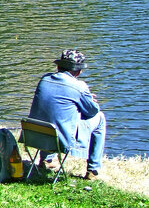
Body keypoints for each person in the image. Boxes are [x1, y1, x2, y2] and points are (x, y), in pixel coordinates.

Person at [28, 49, 106, 181]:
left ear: (59, 66)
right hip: (62, 140)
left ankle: (46, 160)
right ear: (78, 71)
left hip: (35, 135)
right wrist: (88, 100)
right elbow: (92, 111)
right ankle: (93, 170)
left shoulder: (45, 79)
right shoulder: (79, 86)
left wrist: (81, 99)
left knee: (51, 115)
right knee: (100, 119)